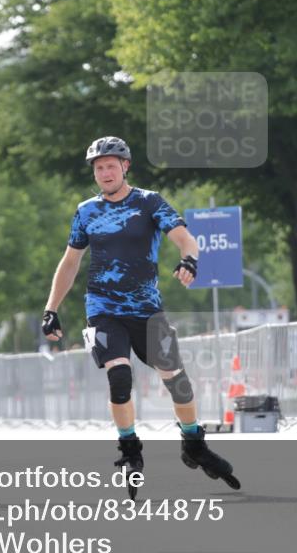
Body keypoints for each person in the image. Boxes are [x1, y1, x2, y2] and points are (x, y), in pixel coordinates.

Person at [42, 136, 239, 498]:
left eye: (111, 166)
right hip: (103, 309)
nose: (105, 172)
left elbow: (185, 239)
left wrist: (189, 260)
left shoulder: (148, 202)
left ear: (125, 166)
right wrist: (51, 308)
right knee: (119, 377)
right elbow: (70, 262)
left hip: (147, 310)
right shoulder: (86, 211)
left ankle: (194, 443)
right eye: (99, 168)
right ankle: (130, 450)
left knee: (176, 380)